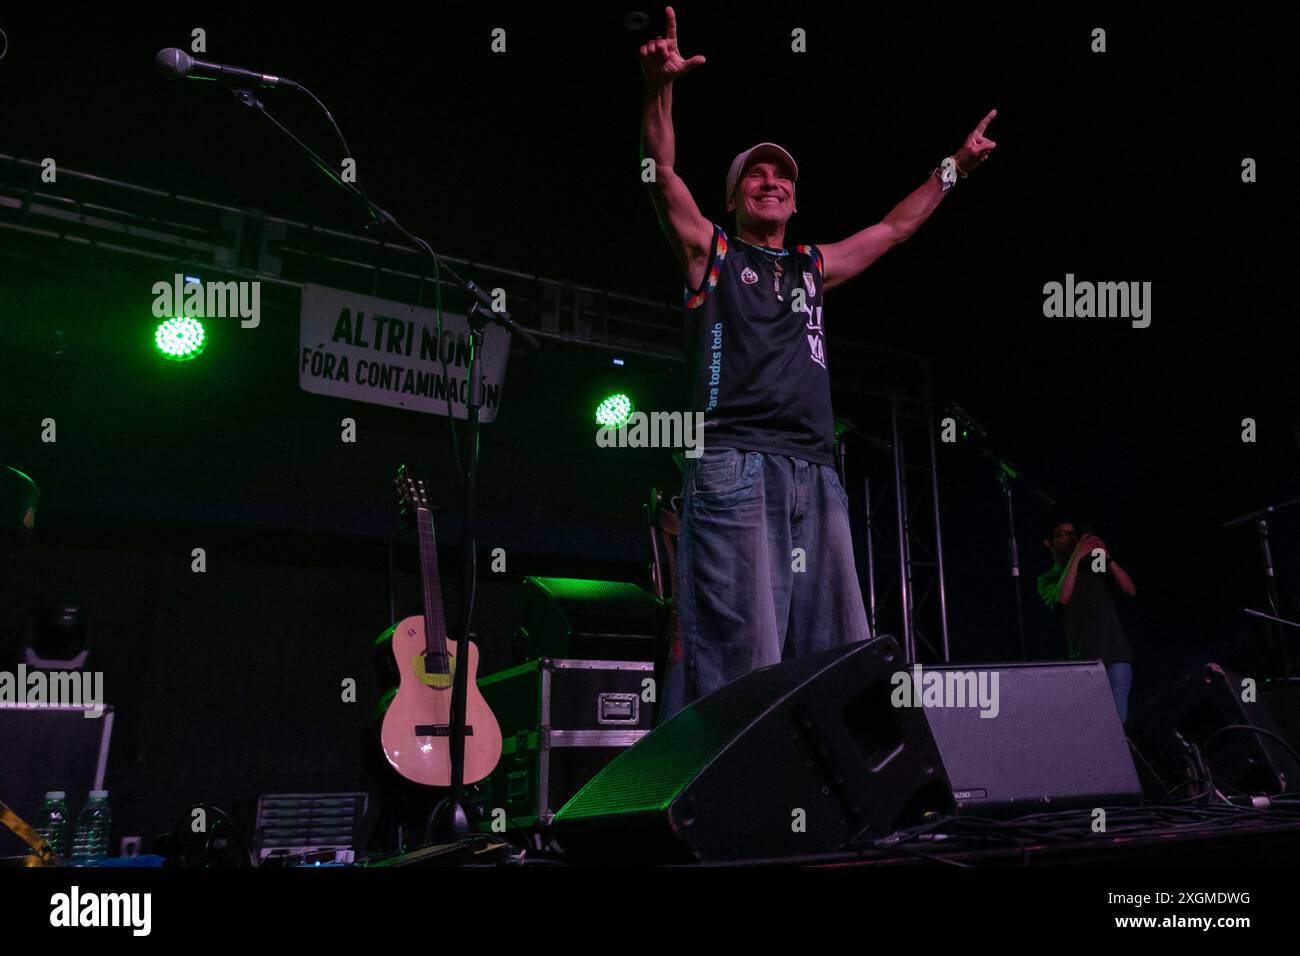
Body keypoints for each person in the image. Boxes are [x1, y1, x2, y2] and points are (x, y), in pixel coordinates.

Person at [640, 7, 998, 721]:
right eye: (755, 175)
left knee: (839, 654)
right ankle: (731, 815)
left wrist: (953, 169)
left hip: (816, 473)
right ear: (736, 197)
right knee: (745, 660)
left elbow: (895, 229)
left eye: (782, 176)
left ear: (796, 199)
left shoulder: (812, 266)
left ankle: (836, 815)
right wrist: (659, 88)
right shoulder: (712, 253)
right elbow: (659, 174)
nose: (770, 180)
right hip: (734, 465)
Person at [1036, 521, 1138, 722]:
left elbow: (1130, 590)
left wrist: (1107, 558)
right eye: (1063, 533)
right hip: (1086, 665)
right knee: (1096, 726)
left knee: (1117, 725)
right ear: (1049, 543)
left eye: (1073, 533)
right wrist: (1076, 557)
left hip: (1116, 657)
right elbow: (1062, 599)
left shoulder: (1093, 565)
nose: (1070, 537)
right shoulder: (1047, 579)